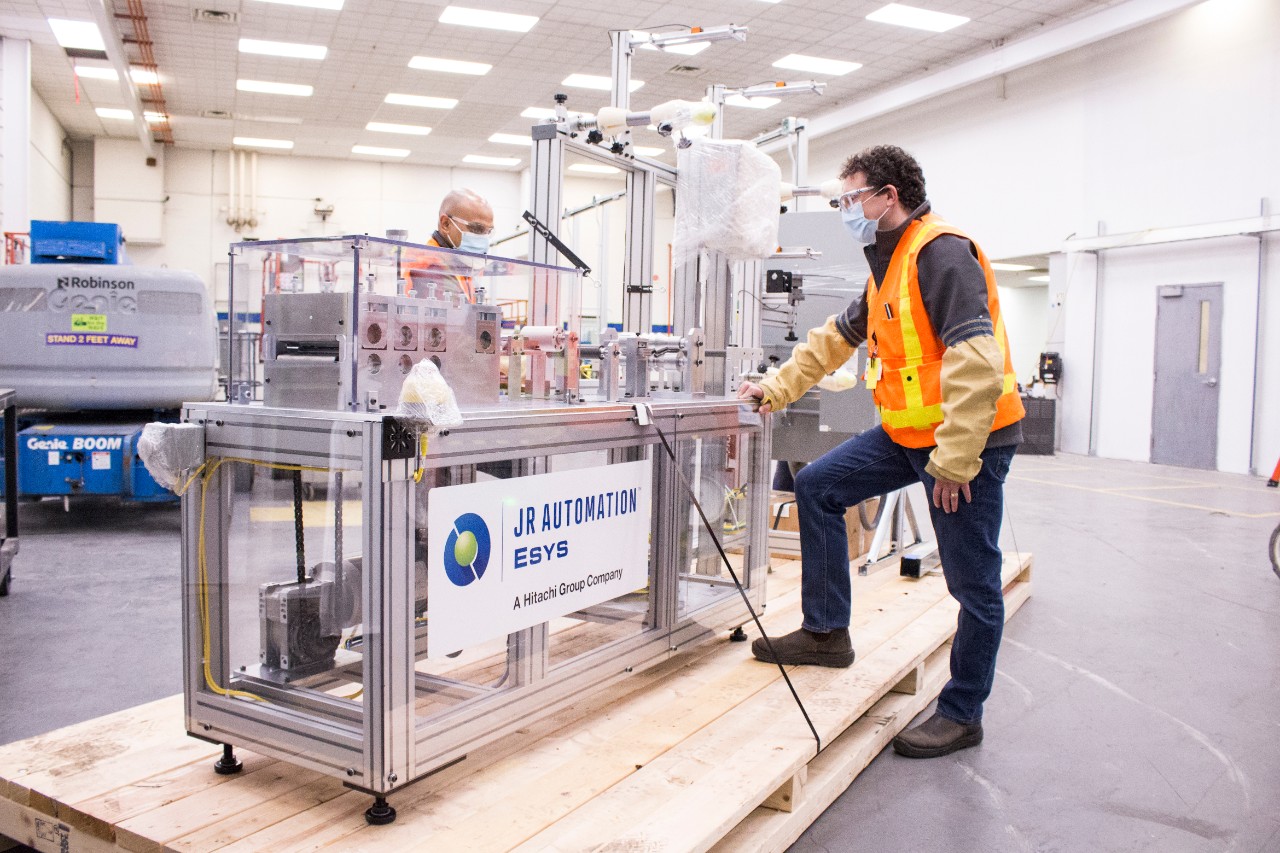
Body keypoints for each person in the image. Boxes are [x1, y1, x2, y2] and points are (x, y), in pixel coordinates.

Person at [738, 145, 1024, 759]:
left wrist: (954, 461)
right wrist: (774, 387)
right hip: (907, 436)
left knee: (974, 585)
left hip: (966, 443)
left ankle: (962, 711)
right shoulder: (886, 267)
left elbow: (977, 364)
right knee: (817, 485)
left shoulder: (942, 254)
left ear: (886, 197)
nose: (846, 211)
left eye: (850, 199)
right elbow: (830, 342)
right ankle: (825, 633)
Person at [405, 188, 494, 301]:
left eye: (488, 232)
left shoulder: (460, 265)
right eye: (476, 229)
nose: (483, 238)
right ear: (446, 224)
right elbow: (455, 316)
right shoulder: (433, 268)